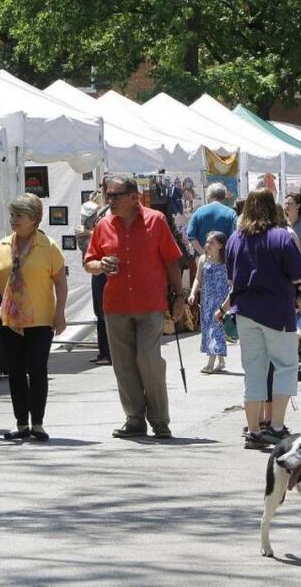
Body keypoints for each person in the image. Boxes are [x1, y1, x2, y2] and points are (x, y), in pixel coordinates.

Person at [84, 174, 186, 440]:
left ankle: (160, 421)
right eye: (108, 195)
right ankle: (134, 419)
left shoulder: (155, 220)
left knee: (148, 361)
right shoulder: (103, 225)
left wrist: (178, 295)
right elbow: (89, 262)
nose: (110, 200)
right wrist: (101, 264)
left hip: (150, 304)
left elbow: (172, 261)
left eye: (116, 195)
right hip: (116, 306)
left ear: (133, 197)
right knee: (124, 365)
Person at [0, 193, 67, 441]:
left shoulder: (48, 246)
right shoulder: (2, 245)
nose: (14, 219)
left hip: (40, 319)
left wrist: (60, 314)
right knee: (15, 372)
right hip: (9, 321)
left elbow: (60, 282)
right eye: (12, 214)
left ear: (34, 219)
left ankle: (38, 423)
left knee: (37, 370)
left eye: (19, 215)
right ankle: (21, 423)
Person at [220, 188, 301, 449]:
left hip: (245, 311)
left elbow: (231, 277)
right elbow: (297, 275)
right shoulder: (281, 237)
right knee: (285, 366)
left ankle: (254, 430)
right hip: (276, 311)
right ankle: (277, 426)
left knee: (254, 370)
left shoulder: (236, 238)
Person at [77, 187, 111, 365]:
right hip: (96, 265)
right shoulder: (99, 212)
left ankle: (108, 353)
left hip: (104, 266)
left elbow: (107, 235)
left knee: (105, 311)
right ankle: (103, 351)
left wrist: (87, 233)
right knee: (99, 311)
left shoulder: (110, 213)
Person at [188, 231, 228, 373]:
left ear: (220, 246)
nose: (208, 245)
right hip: (206, 301)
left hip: (221, 302)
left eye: (212, 242)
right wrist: (193, 293)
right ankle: (221, 361)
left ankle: (210, 364)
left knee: (215, 329)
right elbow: (198, 278)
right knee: (208, 329)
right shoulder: (203, 259)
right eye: (207, 242)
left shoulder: (226, 261)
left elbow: (231, 282)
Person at [186, 182, 236, 255]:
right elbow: (233, 238)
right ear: (223, 196)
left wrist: (203, 255)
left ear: (209, 195)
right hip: (223, 259)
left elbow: (191, 236)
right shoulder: (231, 213)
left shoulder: (199, 212)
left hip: (202, 260)